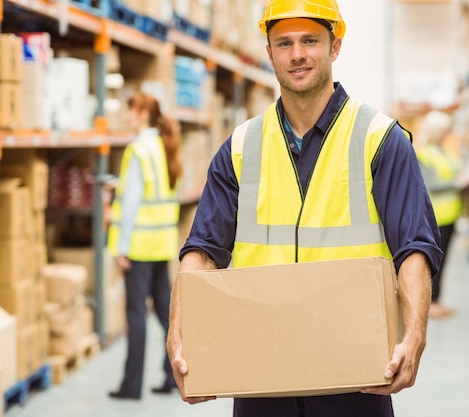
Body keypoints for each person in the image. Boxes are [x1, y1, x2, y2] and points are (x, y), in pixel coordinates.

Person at [167, 1, 443, 415]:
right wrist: (180, 330)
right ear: (270, 53)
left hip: (356, 376)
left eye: (310, 40)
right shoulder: (241, 147)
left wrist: (415, 333)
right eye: (284, 43)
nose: (297, 54)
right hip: (262, 376)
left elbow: (414, 248)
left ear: (335, 46)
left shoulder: (379, 139)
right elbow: (202, 250)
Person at [107, 91, 182, 400]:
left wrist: (121, 247)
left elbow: (132, 203)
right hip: (162, 244)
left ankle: (131, 385)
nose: (126, 117)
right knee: (165, 314)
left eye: (130, 111)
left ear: (141, 114)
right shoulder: (163, 146)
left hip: (138, 246)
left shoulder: (138, 150)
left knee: (136, 315)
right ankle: (172, 375)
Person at [415, 110, 463, 319]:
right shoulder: (423, 153)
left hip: (450, 215)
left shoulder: (443, 152)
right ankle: (430, 303)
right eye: (445, 131)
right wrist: (459, 183)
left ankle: (437, 300)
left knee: (443, 261)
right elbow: (431, 184)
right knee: (434, 262)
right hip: (435, 217)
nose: (448, 134)